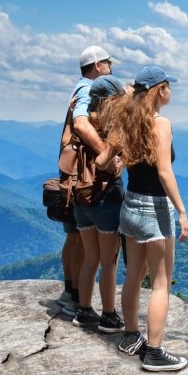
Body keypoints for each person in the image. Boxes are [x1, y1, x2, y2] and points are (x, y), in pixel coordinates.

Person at [96, 66, 188, 372]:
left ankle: (130, 335)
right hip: (155, 209)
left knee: (133, 276)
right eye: (168, 87)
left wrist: (120, 159)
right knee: (160, 284)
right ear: (159, 90)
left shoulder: (126, 121)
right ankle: (154, 352)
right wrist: (182, 211)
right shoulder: (161, 124)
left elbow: (101, 161)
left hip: (130, 206)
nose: (171, 92)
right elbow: (164, 171)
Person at [56, 46, 113, 313]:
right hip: (84, 176)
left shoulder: (78, 88)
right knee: (81, 237)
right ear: (97, 66)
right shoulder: (89, 90)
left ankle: (70, 291)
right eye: (108, 63)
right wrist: (106, 153)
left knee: (74, 234)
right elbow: (80, 123)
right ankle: (77, 297)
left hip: (70, 173)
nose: (111, 68)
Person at [70, 75, 128, 333]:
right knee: (109, 262)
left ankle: (83, 310)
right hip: (106, 197)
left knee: (90, 258)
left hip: (80, 196)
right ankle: (108, 316)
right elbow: (114, 167)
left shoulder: (82, 123)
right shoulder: (111, 125)